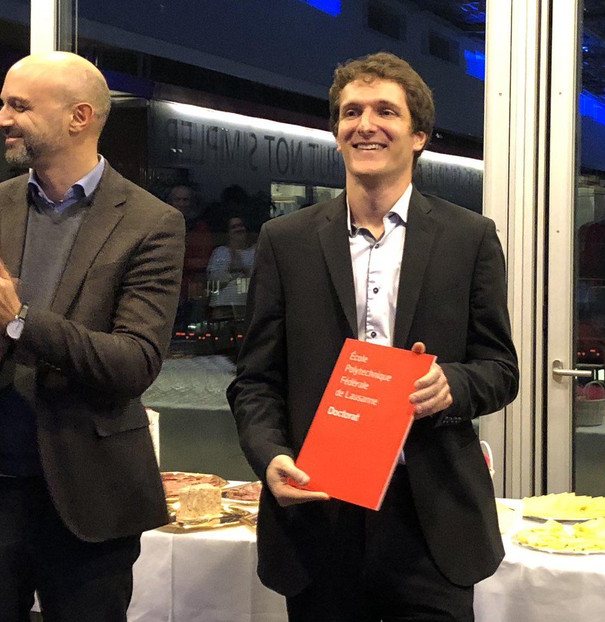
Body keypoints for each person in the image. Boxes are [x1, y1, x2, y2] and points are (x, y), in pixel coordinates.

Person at [227, 52, 519, 621]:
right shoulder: (285, 241)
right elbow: (255, 381)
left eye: (386, 111)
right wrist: (270, 456)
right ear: (336, 132)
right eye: (351, 111)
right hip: (317, 513)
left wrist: (450, 385)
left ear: (419, 137)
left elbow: (500, 369)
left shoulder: (469, 238)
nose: (365, 124)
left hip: (430, 519)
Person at [0, 51, 185, 621]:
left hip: (91, 503)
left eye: (18, 105)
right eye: (4, 103)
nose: (0, 118)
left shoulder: (150, 223)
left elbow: (134, 362)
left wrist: (19, 320)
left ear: (79, 117)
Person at [165, 182, 213, 311]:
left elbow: (205, 261)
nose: (181, 204)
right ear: (170, 202)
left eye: (185, 200)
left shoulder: (200, 228)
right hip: (166, 289)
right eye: (178, 200)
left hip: (193, 290)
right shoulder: (160, 225)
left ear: (191, 203)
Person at [206, 215, 254, 321]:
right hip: (222, 306)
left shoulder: (255, 252)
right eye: (234, 227)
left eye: (241, 225)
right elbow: (214, 283)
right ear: (228, 233)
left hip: (247, 307)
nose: (239, 229)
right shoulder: (220, 252)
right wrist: (233, 269)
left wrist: (242, 270)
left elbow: (257, 280)